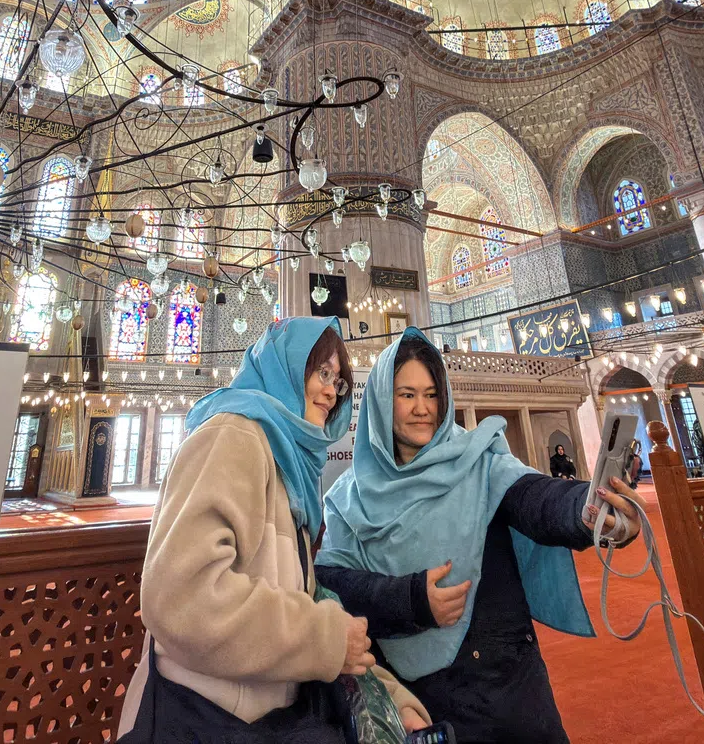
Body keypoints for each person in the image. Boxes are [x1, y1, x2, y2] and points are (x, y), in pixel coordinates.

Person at [315, 328, 641, 744]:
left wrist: (591, 511)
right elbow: (334, 586)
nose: (422, 409)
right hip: (418, 703)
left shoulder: (480, 461)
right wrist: (412, 599)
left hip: (507, 687)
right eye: (407, 395)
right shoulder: (349, 498)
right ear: (381, 401)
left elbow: (537, 499)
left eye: (432, 394)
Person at [117, 316, 430, 742]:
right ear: (285, 367)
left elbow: (306, 604)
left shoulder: (288, 467)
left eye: (338, 382)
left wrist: (390, 700)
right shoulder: (232, 436)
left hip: (265, 720)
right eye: (321, 373)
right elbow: (181, 598)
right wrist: (324, 639)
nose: (331, 392)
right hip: (203, 720)